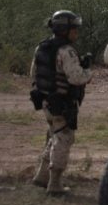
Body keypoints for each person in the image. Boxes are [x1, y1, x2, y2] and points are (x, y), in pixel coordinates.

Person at [30, 10, 92, 195]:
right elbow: (76, 78)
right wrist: (89, 72)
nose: (76, 33)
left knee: (54, 135)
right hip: (62, 103)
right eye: (74, 29)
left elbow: (33, 74)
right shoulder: (67, 51)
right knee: (64, 138)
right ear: (64, 30)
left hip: (47, 102)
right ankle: (55, 184)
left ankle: (41, 176)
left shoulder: (41, 47)